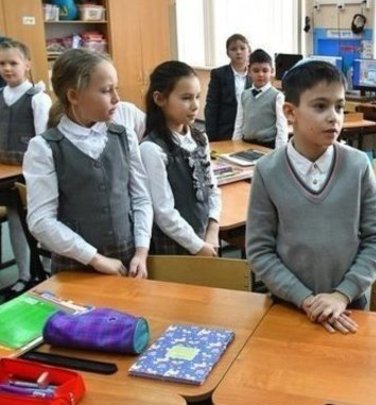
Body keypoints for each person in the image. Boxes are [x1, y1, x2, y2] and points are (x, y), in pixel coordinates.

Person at [246, 60, 376, 334]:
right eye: (320, 106)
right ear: (290, 112)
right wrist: (306, 300)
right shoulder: (267, 170)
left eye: (339, 107)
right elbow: (259, 250)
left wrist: (341, 295)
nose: (334, 117)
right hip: (288, 305)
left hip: (349, 307)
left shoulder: (358, 165)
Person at [23, 48, 152, 277]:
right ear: (74, 96)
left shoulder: (124, 136)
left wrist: (141, 252)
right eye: (106, 90)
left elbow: (141, 197)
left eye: (116, 88)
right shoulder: (44, 147)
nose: (116, 98)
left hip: (129, 257)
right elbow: (40, 220)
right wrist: (94, 258)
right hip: (75, 264)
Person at [140, 61, 220, 256]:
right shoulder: (152, 149)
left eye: (197, 97)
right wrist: (198, 246)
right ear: (159, 99)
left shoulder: (199, 138)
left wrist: (213, 228)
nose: (195, 105)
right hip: (174, 247)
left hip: (205, 239)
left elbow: (212, 188)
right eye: (186, 98)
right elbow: (164, 213)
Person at [0, 38, 52, 295]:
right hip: (6, 175)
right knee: (15, 223)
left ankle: (47, 272)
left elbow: (44, 140)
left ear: (27, 65)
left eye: (13, 63)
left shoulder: (37, 99)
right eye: (2, 64)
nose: (7, 68)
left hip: (31, 175)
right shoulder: (1, 96)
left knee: (41, 224)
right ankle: (24, 275)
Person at [232, 49, 287, 149]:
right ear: (249, 72)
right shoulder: (244, 95)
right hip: (246, 144)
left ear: (272, 71)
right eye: (256, 71)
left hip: (267, 146)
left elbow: (282, 128)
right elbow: (239, 123)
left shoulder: (277, 96)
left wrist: (279, 152)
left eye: (265, 70)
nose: (260, 74)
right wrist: (235, 145)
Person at [205, 34, 251, 141]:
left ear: (249, 51)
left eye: (242, 48)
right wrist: (211, 135)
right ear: (227, 53)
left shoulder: (254, 75)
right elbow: (212, 106)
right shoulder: (219, 74)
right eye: (233, 49)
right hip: (225, 129)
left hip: (248, 130)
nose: (238, 52)